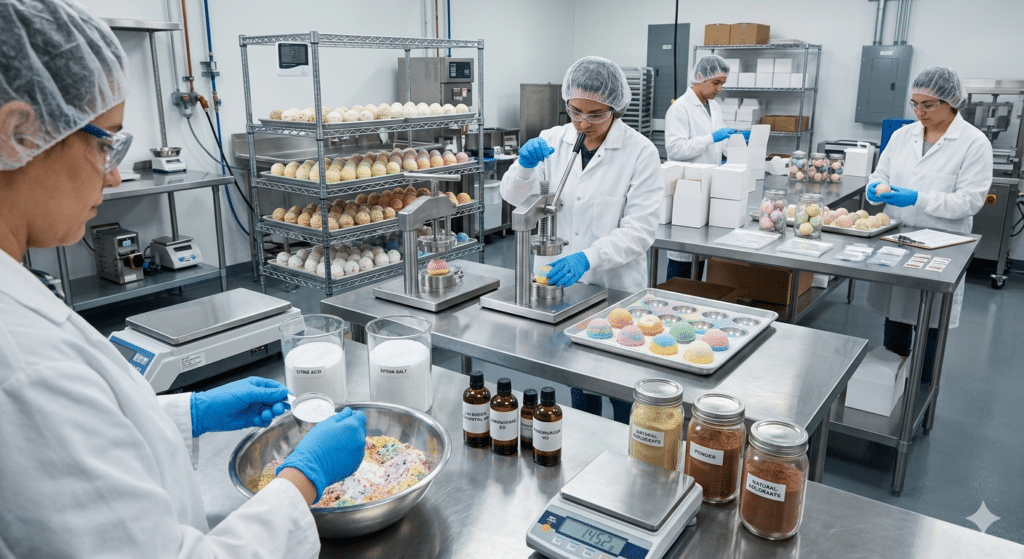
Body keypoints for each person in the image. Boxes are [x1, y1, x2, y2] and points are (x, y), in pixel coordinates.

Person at [0, 1, 366, 557]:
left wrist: (186, 413)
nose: (116, 172)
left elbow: (88, 452)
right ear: (18, 131)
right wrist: (303, 479)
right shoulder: (25, 362)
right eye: (105, 143)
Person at [501, 56, 662, 423]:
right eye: (575, 111)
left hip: (616, 289)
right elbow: (513, 196)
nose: (582, 123)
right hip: (563, 291)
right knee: (579, 381)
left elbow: (640, 231)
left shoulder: (640, 153)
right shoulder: (551, 141)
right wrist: (524, 164)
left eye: (595, 114)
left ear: (615, 109)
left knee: (623, 387)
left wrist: (587, 258)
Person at [865, 66, 992, 383]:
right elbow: (881, 174)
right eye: (914, 104)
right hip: (896, 238)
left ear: (951, 102)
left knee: (931, 320)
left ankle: (922, 387)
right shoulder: (902, 136)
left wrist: (917, 198)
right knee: (896, 313)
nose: (919, 111)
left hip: (942, 244)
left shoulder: (974, 143)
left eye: (927, 105)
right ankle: (887, 383)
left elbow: (969, 201)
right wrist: (875, 187)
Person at [663, 54, 749, 280]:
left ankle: (693, 298)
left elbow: (719, 142)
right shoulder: (680, 108)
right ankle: (672, 301)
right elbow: (675, 150)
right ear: (699, 77)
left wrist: (737, 145)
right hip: (687, 188)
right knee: (682, 255)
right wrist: (710, 138)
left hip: (710, 185)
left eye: (722, 84)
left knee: (700, 254)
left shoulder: (714, 106)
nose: (719, 89)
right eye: (716, 83)